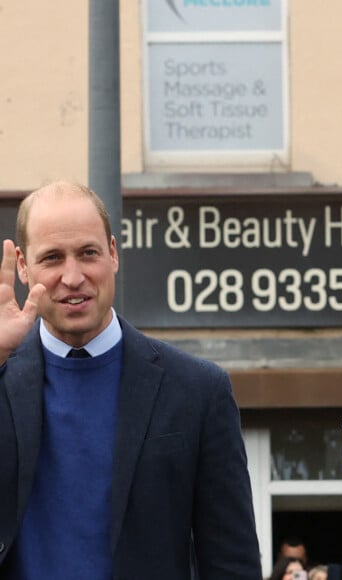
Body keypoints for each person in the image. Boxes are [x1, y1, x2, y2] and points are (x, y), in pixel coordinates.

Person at [0, 181, 262, 579]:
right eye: (52, 258)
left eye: (88, 253)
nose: (72, 277)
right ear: (23, 266)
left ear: (113, 253)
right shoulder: (2, 378)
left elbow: (231, 563)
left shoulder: (198, 391)